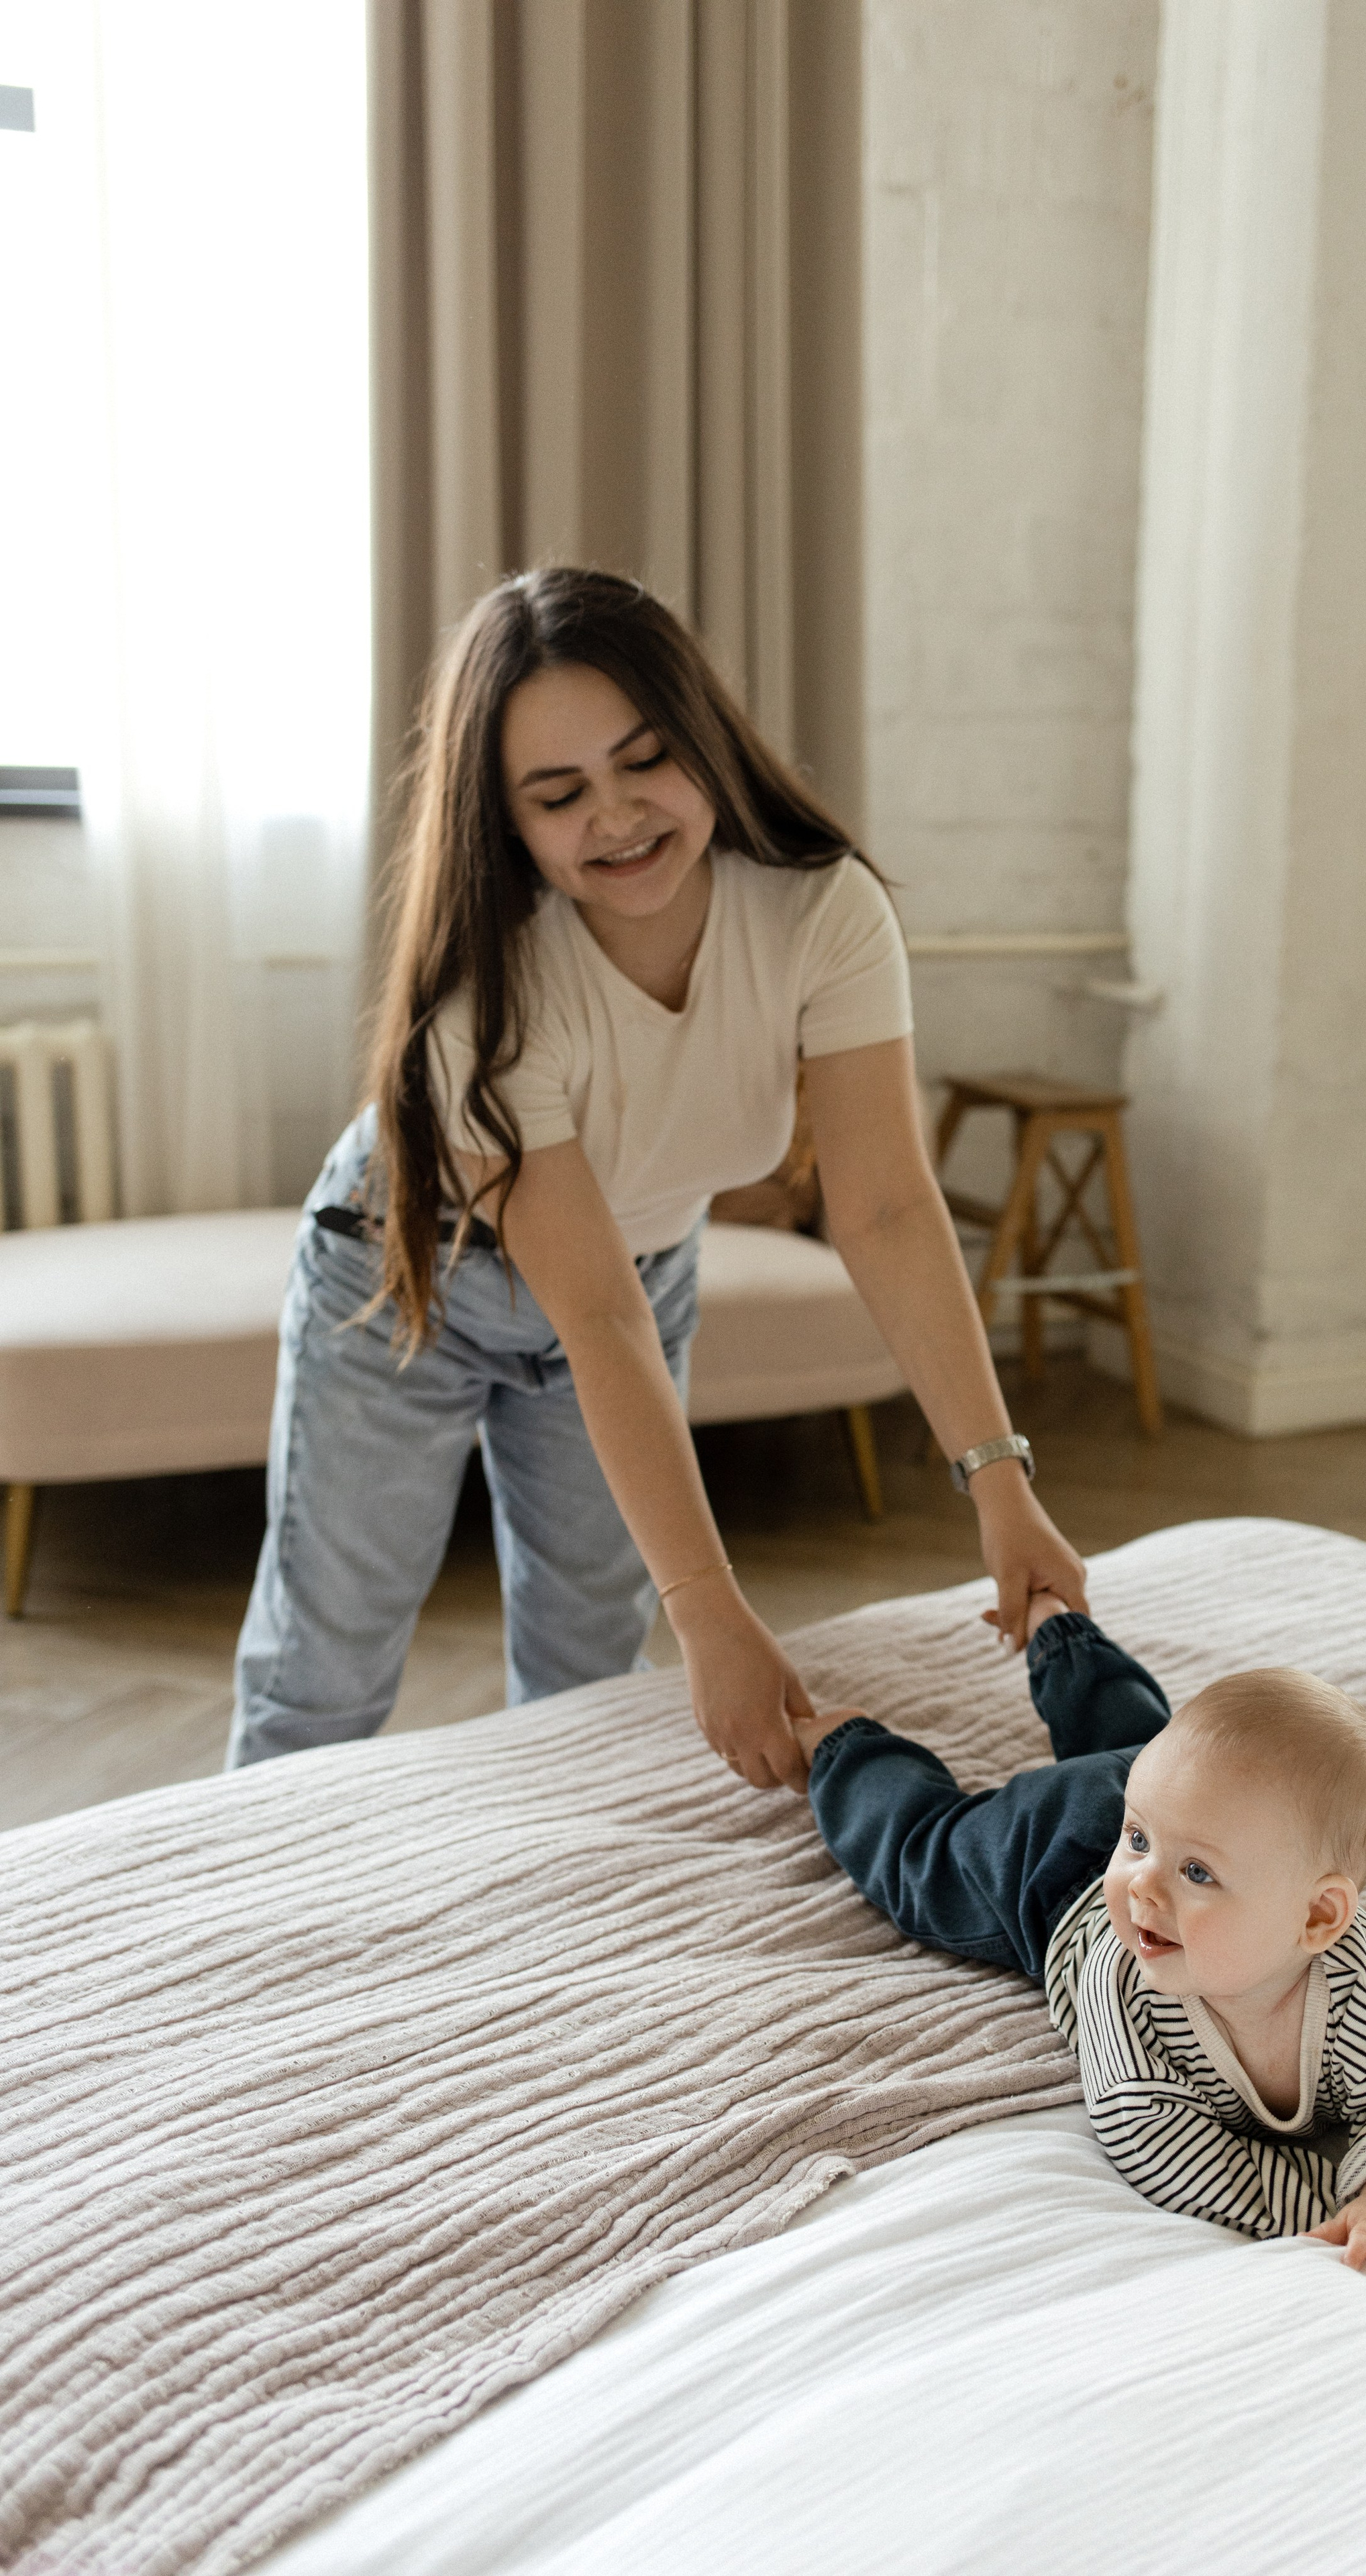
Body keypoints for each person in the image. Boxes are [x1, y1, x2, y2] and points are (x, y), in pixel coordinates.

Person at [229, 568, 1088, 1786]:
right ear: (507, 822)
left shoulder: (820, 913)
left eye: (645, 761)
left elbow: (888, 1209)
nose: (618, 817)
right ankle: (247, 1935)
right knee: (324, 1669)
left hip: (638, 1270)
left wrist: (999, 1485)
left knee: (586, 1675)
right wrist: (711, 1608)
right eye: (560, 794)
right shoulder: (489, 1001)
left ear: (705, 738)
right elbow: (593, 1311)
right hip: (409, 1282)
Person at [796, 1595, 1366, 2286]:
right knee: (927, 1866)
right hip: (1052, 1866)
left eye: (1197, 1874)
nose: (1141, 1890)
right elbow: (1168, 2153)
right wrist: (1342, 2205)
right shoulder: (1132, 1993)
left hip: (1158, 1794)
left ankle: (1058, 1634)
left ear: (1317, 1918)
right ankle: (846, 1749)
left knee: (1141, 1740)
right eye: (1140, 1849)